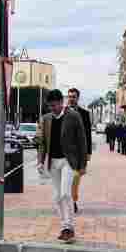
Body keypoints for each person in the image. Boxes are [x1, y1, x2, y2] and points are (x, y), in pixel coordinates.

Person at [37, 89, 87, 243]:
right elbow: (42, 143)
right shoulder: (45, 119)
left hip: (68, 161)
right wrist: (40, 160)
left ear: (61, 102)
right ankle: (64, 226)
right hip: (53, 162)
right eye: (49, 106)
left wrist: (83, 164)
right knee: (57, 197)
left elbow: (82, 141)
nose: (52, 109)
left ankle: (69, 227)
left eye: (54, 106)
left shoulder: (73, 116)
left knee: (66, 194)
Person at [66, 88, 92, 214]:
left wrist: (88, 153)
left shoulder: (84, 113)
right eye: (69, 96)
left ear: (78, 98)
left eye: (74, 96)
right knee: (65, 180)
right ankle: (67, 201)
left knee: (75, 178)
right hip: (64, 153)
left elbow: (87, 134)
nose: (71, 98)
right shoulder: (61, 112)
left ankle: (73, 200)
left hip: (78, 153)